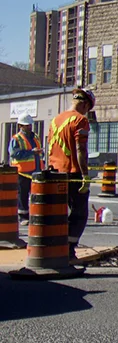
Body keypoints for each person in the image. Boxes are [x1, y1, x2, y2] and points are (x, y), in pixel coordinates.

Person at [47, 88, 94, 260]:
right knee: (79, 214)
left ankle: (56, 248)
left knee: (59, 213)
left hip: (54, 173)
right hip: (72, 173)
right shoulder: (80, 120)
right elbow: (81, 149)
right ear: (85, 103)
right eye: (88, 109)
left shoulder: (55, 120)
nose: (86, 112)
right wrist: (85, 175)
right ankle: (68, 249)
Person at [8, 113, 44, 224]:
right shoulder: (17, 138)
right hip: (23, 172)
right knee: (22, 195)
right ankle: (23, 216)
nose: (29, 127)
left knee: (36, 195)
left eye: (29, 125)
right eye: (26, 125)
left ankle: (34, 215)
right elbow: (14, 153)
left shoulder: (35, 136)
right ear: (20, 126)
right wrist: (31, 153)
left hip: (36, 171)